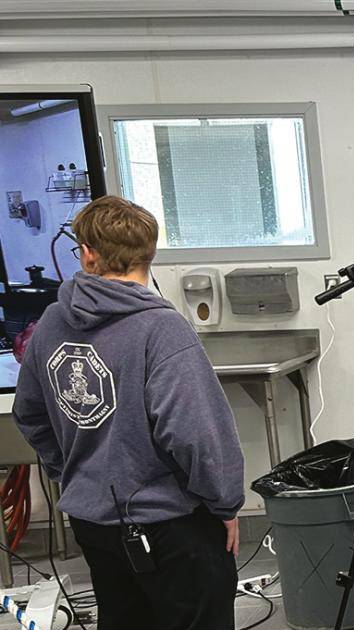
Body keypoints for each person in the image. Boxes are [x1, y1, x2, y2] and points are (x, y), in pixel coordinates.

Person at [12, 195, 245, 630]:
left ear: (87, 253)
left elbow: (30, 413)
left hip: (93, 523)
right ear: (150, 251)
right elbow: (196, 434)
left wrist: (74, 474)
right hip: (170, 526)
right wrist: (225, 504)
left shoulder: (49, 325)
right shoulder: (161, 329)